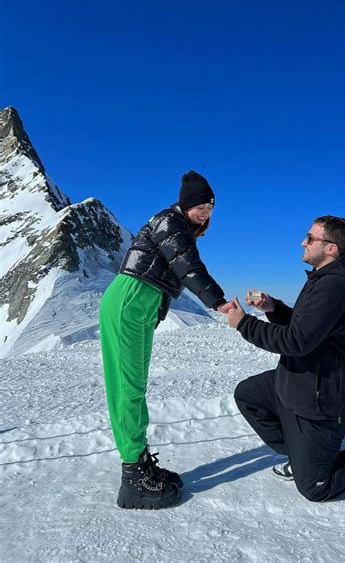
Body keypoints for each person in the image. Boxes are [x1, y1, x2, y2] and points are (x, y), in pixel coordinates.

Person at [228, 216, 345, 502]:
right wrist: (273, 307)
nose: (303, 242)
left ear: (331, 248)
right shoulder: (324, 279)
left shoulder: (335, 287)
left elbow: (295, 342)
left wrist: (244, 324)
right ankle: (302, 454)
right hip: (300, 383)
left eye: (310, 238)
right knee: (248, 395)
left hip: (326, 399)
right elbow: (305, 327)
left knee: (315, 487)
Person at [99, 170, 232, 510]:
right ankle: (133, 479)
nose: (206, 211)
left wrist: (157, 309)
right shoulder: (168, 222)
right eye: (201, 205)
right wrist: (217, 301)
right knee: (127, 389)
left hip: (139, 306)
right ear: (186, 203)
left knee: (136, 387)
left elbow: (168, 274)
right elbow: (186, 266)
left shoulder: (180, 226)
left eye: (210, 206)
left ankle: (140, 462)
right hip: (128, 302)